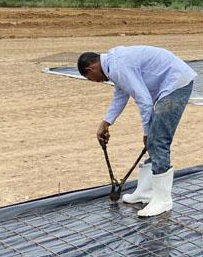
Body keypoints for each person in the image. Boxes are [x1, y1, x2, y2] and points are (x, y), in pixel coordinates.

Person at [78, 46, 196, 217]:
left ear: (90, 69)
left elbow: (144, 100)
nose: (96, 81)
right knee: (155, 139)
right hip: (171, 82)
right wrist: (106, 122)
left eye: (91, 79)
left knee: (158, 140)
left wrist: (147, 134)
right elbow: (121, 95)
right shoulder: (114, 65)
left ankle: (163, 200)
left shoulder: (118, 66)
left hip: (177, 83)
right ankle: (145, 192)